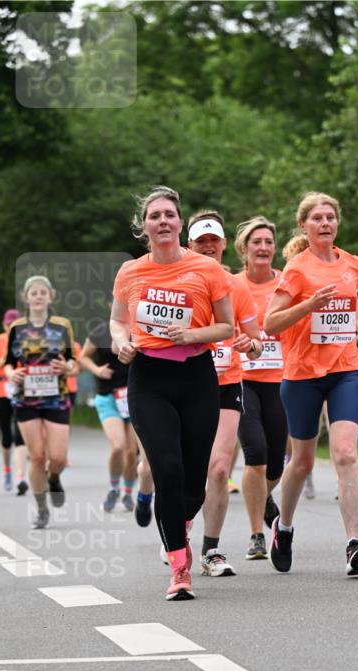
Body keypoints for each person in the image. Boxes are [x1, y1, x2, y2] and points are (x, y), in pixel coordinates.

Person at [110, 186, 234, 600]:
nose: (162, 221)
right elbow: (116, 322)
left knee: (194, 485)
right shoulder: (130, 272)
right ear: (143, 226)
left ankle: (174, 524)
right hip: (149, 378)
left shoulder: (207, 269)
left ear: (180, 223)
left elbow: (227, 328)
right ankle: (180, 569)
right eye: (154, 215)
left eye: (169, 215)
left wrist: (194, 332)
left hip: (197, 376)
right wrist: (121, 342)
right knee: (167, 469)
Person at [264, 191, 358, 576]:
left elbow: (351, 302)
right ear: (304, 226)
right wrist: (308, 306)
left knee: (345, 453)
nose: (325, 223)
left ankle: (354, 544)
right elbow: (271, 323)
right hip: (302, 374)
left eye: (330, 217)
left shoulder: (353, 264)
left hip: (345, 368)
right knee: (302, 461)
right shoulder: (296, 269)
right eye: (317, 218)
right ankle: (285, 526)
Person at [186, 210, 262, 577]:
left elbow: (257, 344)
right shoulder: (179, 284)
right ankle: (178, 530)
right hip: (183, 384)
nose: (208, 248)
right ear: (189, 246)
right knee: (185, 470)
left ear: (223, 245)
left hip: (226, 384)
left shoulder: (237, 286)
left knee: (218, 468)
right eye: (201, 242)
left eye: (213, 241)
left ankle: (211, 550)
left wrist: (250, 345)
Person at [231, 215, 287, 559]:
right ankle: (255, 534)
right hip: (242, 379)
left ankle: (263, 497)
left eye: (268, 242)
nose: (263, 247)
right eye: (257, 242)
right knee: (256, 454)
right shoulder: (232, 285)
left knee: (277, 465)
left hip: (282, 380)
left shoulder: (286, 285)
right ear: (244, 249)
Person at [4, 276, 77, 528]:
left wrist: (66, 367)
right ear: (26, 297)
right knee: (36, 456)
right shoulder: (17, 328)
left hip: (56, 397)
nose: (38, 296)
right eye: (33, 292)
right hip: (26, 399)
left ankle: (54, 477)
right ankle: (42, 508)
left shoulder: (62, 325)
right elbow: (7, 363)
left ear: (51, 296)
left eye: (42, 292)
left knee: (57, 457)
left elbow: (72, 361)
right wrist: (11, 373)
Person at [79, 320, 138, 512]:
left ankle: (128, 492)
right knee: (118, 446)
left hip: (134, 396)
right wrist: (97, 370)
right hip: (108, 397)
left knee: (131, 453)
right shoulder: (101, 330)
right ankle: (114, 488)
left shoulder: (141, 328)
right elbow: (83, 357)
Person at [0, 309, 28, 493]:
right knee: (6, 436)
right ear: (3, 325)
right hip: (0, 390)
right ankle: (7, 470)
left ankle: (20, 478)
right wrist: (1, 362)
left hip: (23, 391)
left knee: (20, 436)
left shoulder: (28, 341)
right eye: (8, 324)